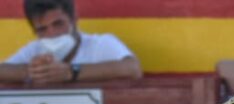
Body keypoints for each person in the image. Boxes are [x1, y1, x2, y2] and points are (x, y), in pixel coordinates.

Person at [0, 0, 141, 86]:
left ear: (74, 19)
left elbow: (133, 68)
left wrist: (71, 72)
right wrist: (34, 72)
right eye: (42, 29)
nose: (52, 34)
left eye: (58, 24)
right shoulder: (34, 50)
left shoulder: (100, 44)